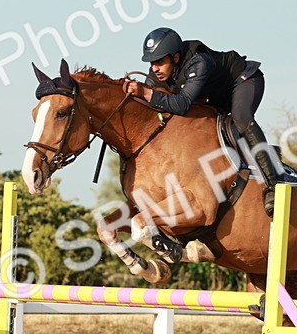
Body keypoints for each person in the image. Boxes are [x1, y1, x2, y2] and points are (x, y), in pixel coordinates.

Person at [122, 27, 284, 217]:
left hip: (243, 80)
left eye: (159, 62)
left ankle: (272, 184)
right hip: (215, 97)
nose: (154, 68)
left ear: (175, 57)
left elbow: (181, 104)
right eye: (152, 63)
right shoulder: (157, 74)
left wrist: (146, 93)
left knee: (240, 118)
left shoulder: (199, 62)